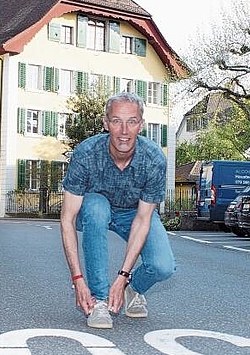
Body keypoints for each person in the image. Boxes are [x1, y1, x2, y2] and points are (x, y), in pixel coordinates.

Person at [60, 92, 176, 329]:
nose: (124, 130)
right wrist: (78, 280)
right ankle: (99, 301)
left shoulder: (153, 159)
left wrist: (123, 278)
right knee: (96, 207)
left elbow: (144, 219)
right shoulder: (86, 153)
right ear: (106, 123)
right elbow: (68, 219)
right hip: (96, 208)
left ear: (141, 125)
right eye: (116, 121)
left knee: (163, 266)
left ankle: (135, 290)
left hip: (135, 213)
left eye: (131, 121)